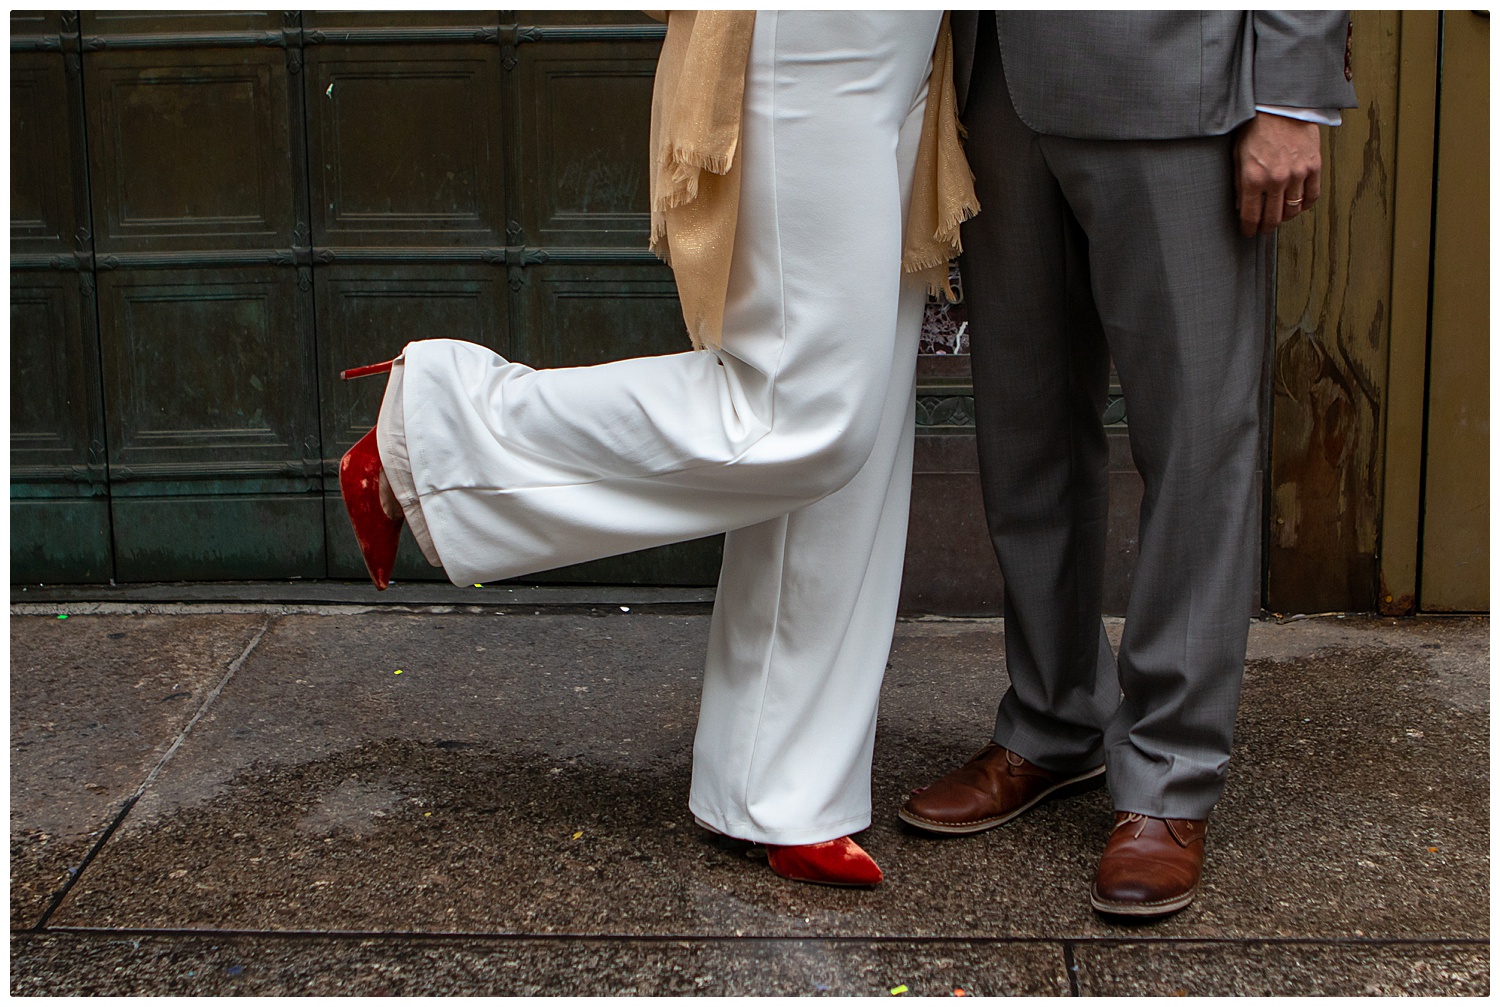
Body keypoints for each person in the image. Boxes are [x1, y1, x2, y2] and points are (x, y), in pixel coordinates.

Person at [339, 12, 976, 888]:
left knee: (858, 416)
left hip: (903, 41)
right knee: (802, 409)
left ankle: (783, 786)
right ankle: (438, 425)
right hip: (815, 36)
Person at [900, 12, 1356, 916]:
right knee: (1023, 424)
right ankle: (1054, 716)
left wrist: (1292, 92)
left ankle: (1170, 776)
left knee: (1194, 440)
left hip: (1176, 84)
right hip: (993, 83)